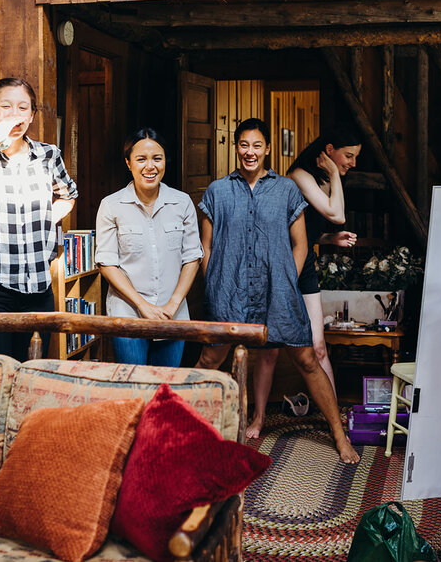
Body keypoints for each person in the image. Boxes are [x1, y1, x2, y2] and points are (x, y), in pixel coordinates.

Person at [195, 118, 360, 464]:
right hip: (230, 293)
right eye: (243, 145)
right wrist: (215, 286)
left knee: (307, 359)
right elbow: (206, 247)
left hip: (278, 294)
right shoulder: (217, 191)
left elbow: (300, 244)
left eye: (257, 145)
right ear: (236, 147)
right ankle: (191, 426)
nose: (249, 152)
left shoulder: (286, 189)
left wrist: (286, 281)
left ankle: (339, 435)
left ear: (267, 149)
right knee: (211, 358)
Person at [0, 78, 77, 362]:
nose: (15, 114)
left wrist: (48, 219)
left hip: (38, 289)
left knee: (31, 376)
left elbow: (69, 195)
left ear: (32, 115)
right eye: (6, 106)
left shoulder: (48, 155)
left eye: (23, 108)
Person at [246, 128, 362, 437]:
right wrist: (335, 176)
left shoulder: (325, 178)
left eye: (355, 158)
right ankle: (258, 418)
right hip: (277, 264)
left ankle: (333, 417)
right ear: (328, 150)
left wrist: (328, 238)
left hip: (305, 263)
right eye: (348, 156)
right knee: (269, 350)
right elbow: (336, 213)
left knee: (319, 347)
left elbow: (309, 229)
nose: (351, 163)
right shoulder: (299, 175)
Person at [95, 128, 202, 366]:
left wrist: (173, 304)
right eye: (141, 159)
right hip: (128, 314)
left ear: (165, 161)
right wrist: (142, 305)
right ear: (128, 163)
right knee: (134, 387)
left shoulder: (182, 202)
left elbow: (192, 257)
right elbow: (107, 262)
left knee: (165, 386)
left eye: (157, 158)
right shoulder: (111, 205)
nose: (150, 166)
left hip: (172, 314)